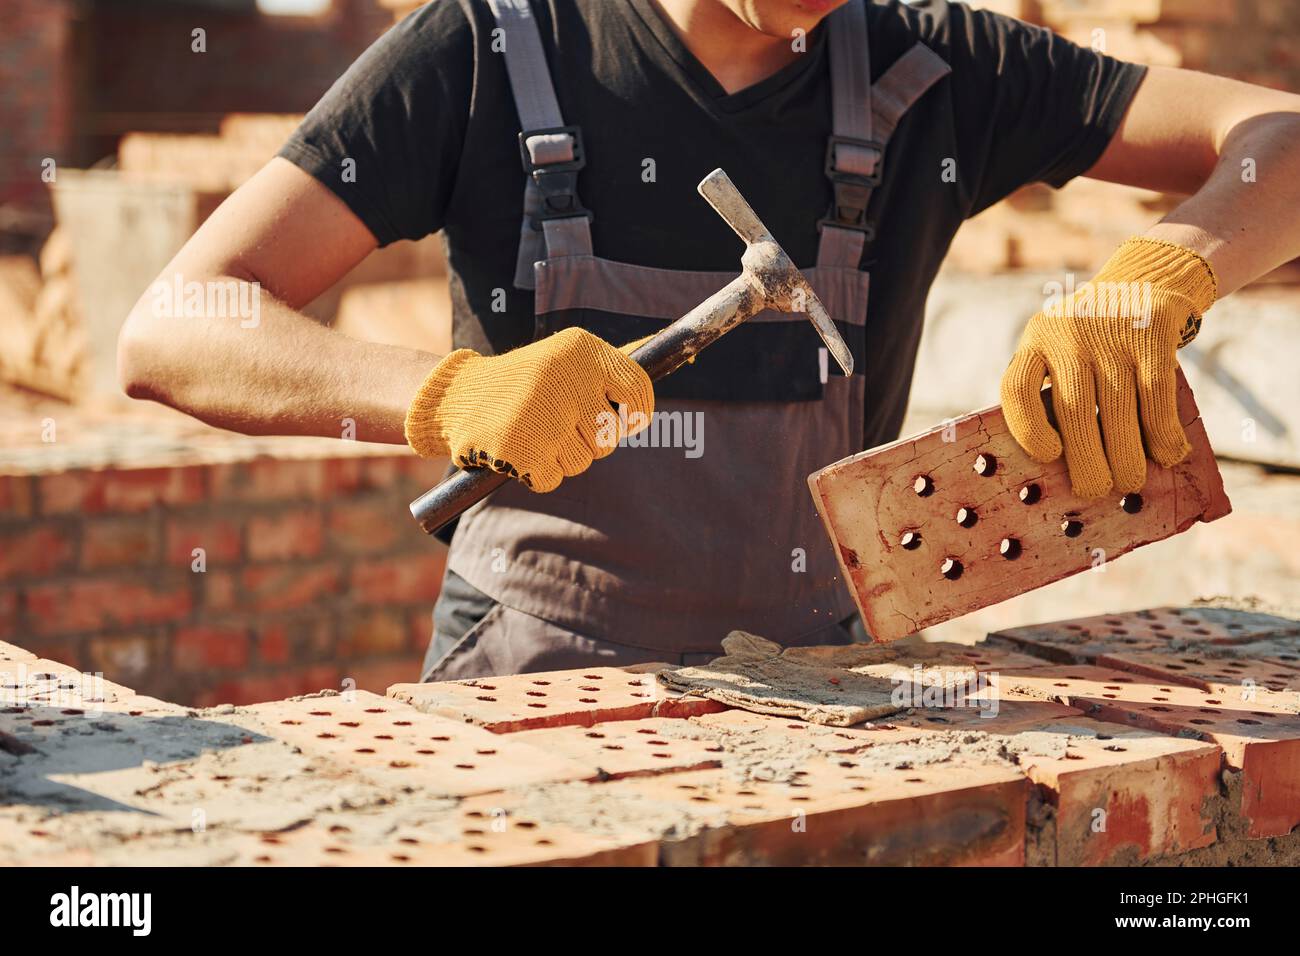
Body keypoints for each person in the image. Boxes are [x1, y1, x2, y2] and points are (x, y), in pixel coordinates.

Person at [117, 0, 1300, 680]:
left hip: (818, 692)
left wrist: (1153, 279)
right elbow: (176, 325)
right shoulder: (489, 49)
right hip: (529, 678)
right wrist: (443, 396)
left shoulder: (931, 67)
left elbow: (1278, 138)